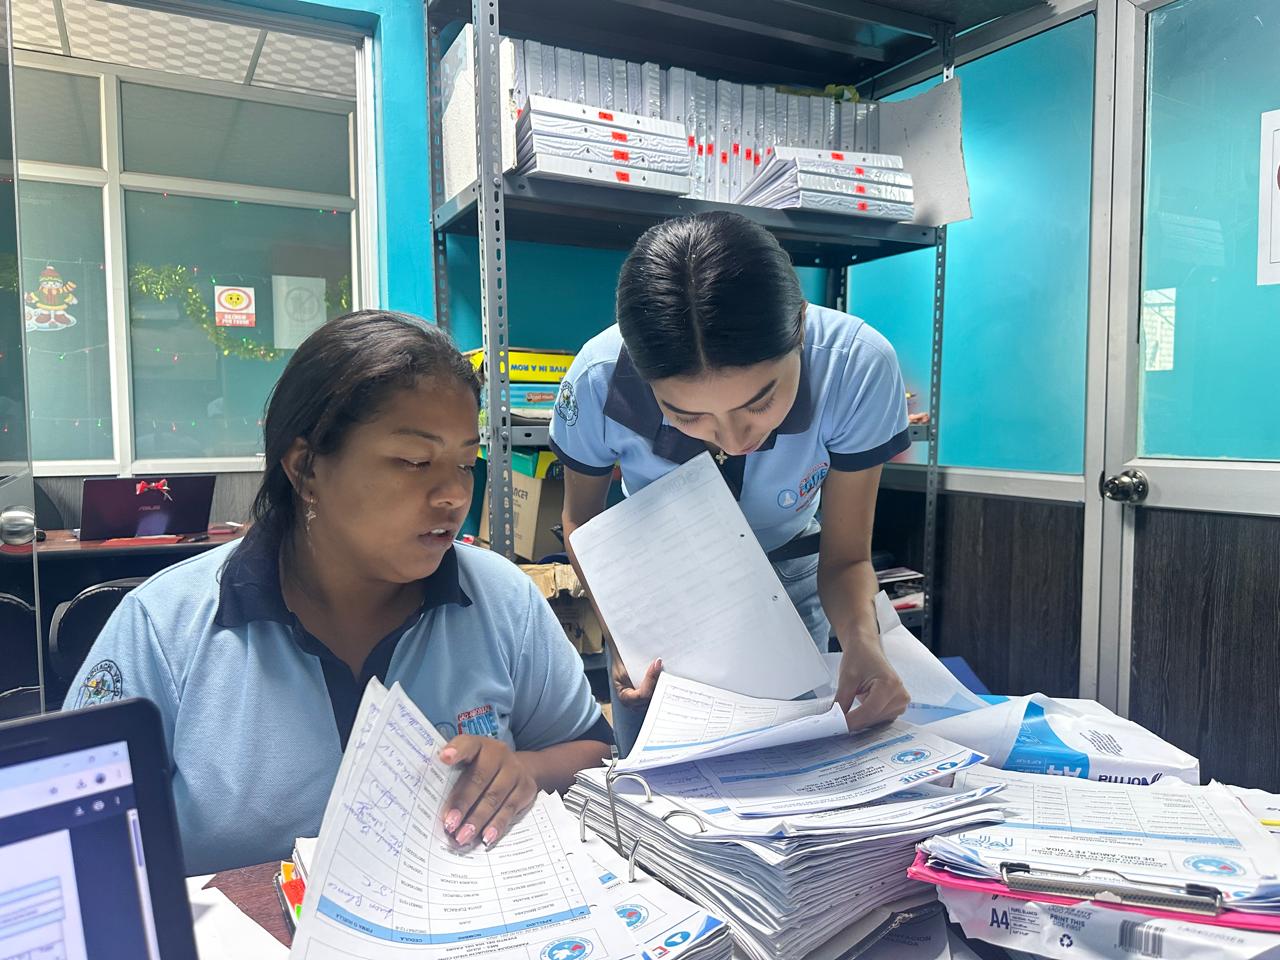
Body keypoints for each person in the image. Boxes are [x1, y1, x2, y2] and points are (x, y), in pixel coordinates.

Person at [65, 310, 613, 874]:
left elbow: (593, 751)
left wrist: (524, 773)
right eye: (414, 462)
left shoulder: (502, 599)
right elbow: (69, 836)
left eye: (466, 463)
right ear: (306, 468)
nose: (453, 494)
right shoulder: (165, 628)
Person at [550, 212, 911, 754]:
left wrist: (862, 643)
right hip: (652, 591)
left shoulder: (856, 366)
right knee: (660, 779)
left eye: (760, 402)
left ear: (800, 328)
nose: (735, 438)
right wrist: (622, 630)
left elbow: (846, 558)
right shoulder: (597, 379)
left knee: (795, 764)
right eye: (687, 415)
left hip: (791, 574)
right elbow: (581, 518)